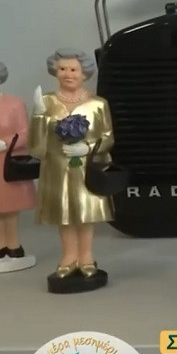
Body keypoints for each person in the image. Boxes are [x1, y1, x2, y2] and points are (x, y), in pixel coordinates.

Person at [30, 49, 115, 290]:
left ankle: (86, 256)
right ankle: (68, 257)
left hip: (86, 168)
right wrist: (38, 116)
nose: (68, 74)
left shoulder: (98, 104)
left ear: (84, 73)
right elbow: (36, 146)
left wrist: (87, 148)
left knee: (85, 213)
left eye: (73, 69)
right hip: (56, 169)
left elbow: (108, 138)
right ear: (54, 71)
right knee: (64, 214)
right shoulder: (46, 102)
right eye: (62, 69)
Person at [0, 62, 37, 268]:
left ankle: (14, 246)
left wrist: (5, 143)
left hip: (7, 163)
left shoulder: (14, 104)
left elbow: (25, 133)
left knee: (10, 207)